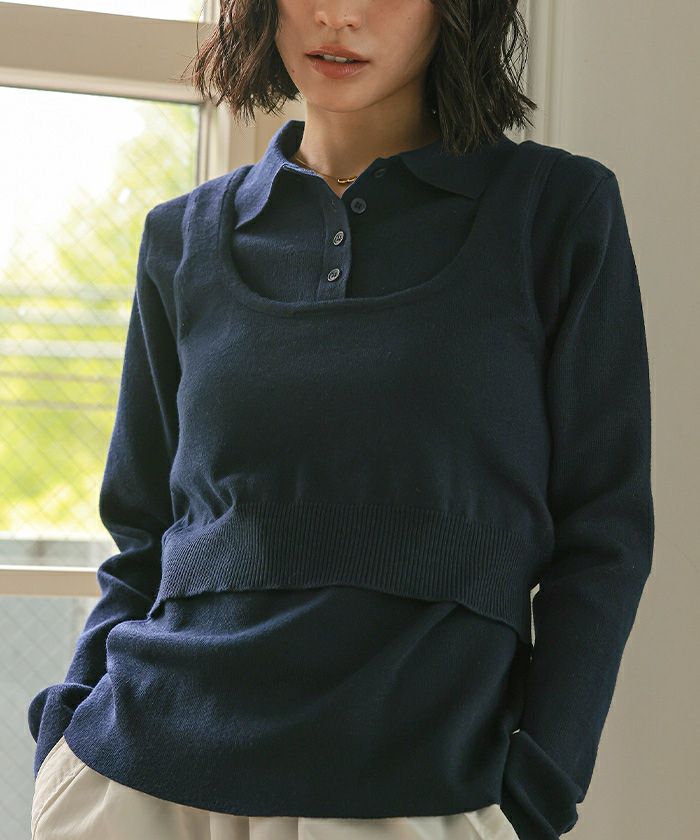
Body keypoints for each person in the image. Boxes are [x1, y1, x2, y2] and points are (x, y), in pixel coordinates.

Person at [28, 1, 654, 838]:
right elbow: (142, 535)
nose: (336, 13)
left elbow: (604, 531)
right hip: (141, 784)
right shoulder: (181, 237)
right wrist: (65, 730)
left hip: (422, 789)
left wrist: (543, 779)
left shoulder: (555, 210)